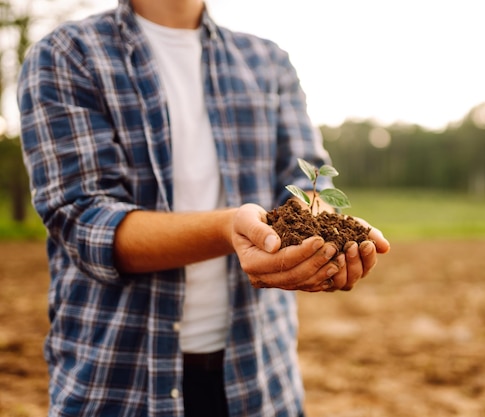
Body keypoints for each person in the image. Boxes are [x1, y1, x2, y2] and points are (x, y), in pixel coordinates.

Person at [17, 0, 390, 416]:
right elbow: (86, 222)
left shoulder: (267, 62)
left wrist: (331, 233)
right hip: (118, 380)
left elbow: (306, 184)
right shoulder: (68, 54)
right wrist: (228, 228)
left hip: (259, 380)